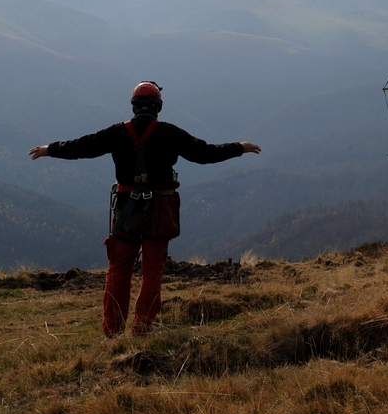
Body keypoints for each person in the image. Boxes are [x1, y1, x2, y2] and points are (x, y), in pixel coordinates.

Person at [29, 81, 261, 337]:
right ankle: (142, 328)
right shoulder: (169, 133)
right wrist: (239, 147)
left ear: (133, 106)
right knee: (152, 273)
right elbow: (203, 153)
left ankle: (113, 332)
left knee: (118, 270)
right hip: (160, 211)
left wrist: (50, 149)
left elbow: (82, 146)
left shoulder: (117, 132)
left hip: (126, 211)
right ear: (158, 106)